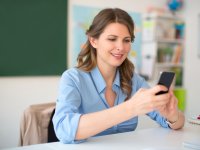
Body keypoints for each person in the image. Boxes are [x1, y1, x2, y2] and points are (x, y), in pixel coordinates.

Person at [52, 8, 185, 144]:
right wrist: (130, 108)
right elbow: (63, 129)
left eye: (126, 40)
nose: (121, 47)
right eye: (112, 39)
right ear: (93, 41)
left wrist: (173, 116)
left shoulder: (133, 80)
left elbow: (177, 122)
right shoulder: (73, 78)